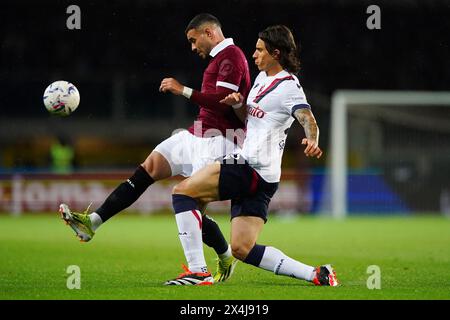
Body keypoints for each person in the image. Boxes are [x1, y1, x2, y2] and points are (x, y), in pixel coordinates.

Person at [59, 13, 251, 284]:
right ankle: (93, 223)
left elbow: (222, 103)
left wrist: (181, 89)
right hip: (196, 134)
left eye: (194, 41)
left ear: (209, 32)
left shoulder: (232, 55)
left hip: (219, 140)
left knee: (192, 205)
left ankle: (203, 269)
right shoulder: (219, 58)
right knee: (149, 168)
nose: (193, 47)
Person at [164, 25, 339, 286]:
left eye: (259, 50)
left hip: (250, 167)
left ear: (276, 53)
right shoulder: (260, 79)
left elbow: (307, 117)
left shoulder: (289, 87)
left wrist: (312, 139)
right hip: (265, 177)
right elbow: (250, 119)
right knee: (242, 248)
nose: (254, 55)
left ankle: (198, 271)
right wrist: (237, 104)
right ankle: (316, 274)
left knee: (182, 193)